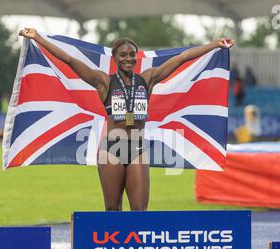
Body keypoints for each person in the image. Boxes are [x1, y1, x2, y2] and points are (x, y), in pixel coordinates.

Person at [19, 28, 234, 211]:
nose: (128, 58)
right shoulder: (103, 81)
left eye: (132, 54)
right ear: (115, 58)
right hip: (111, 148)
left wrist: (213, 45)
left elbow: (182, 58)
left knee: (139, 210)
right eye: (123, 55)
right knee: (112, 209)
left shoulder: (148, 79)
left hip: (138, 148)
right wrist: (37, 37)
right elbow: (69, 60)